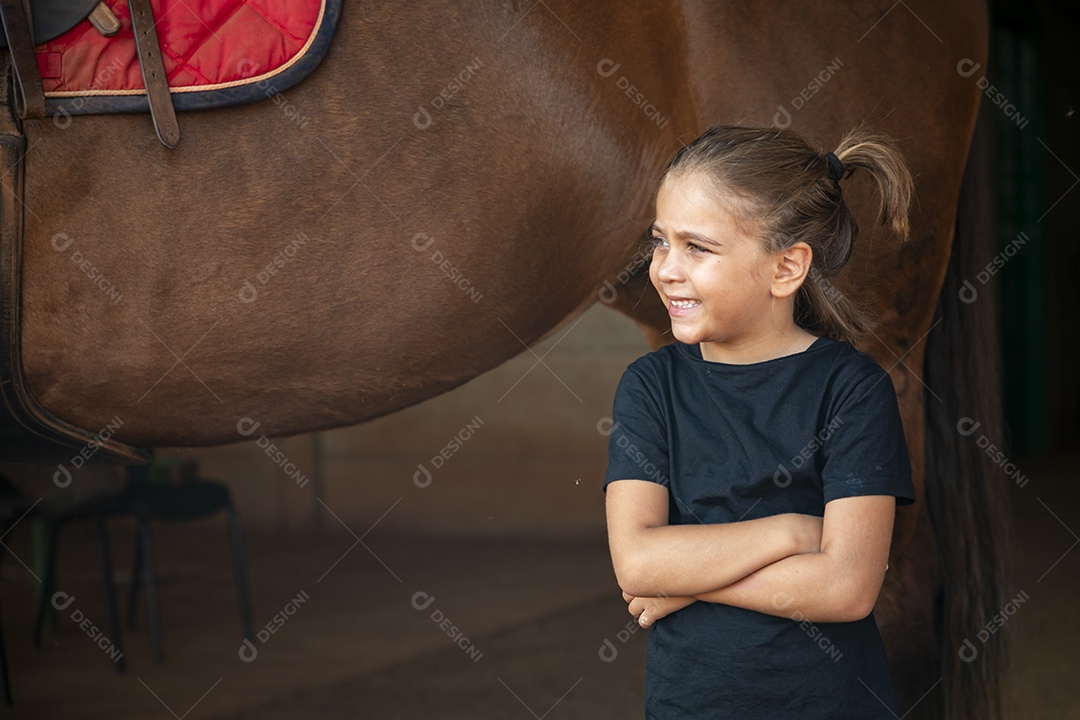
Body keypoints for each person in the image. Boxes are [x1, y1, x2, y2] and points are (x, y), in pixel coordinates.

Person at [604, 124, 916, 719]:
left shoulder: (852, 390)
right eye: (661, 241)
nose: (666, 269)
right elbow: (638, 564)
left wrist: (686, 582)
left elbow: (846, 589)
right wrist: (793, 533)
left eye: (698, 248)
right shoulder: (650, 387)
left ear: (786, 268)